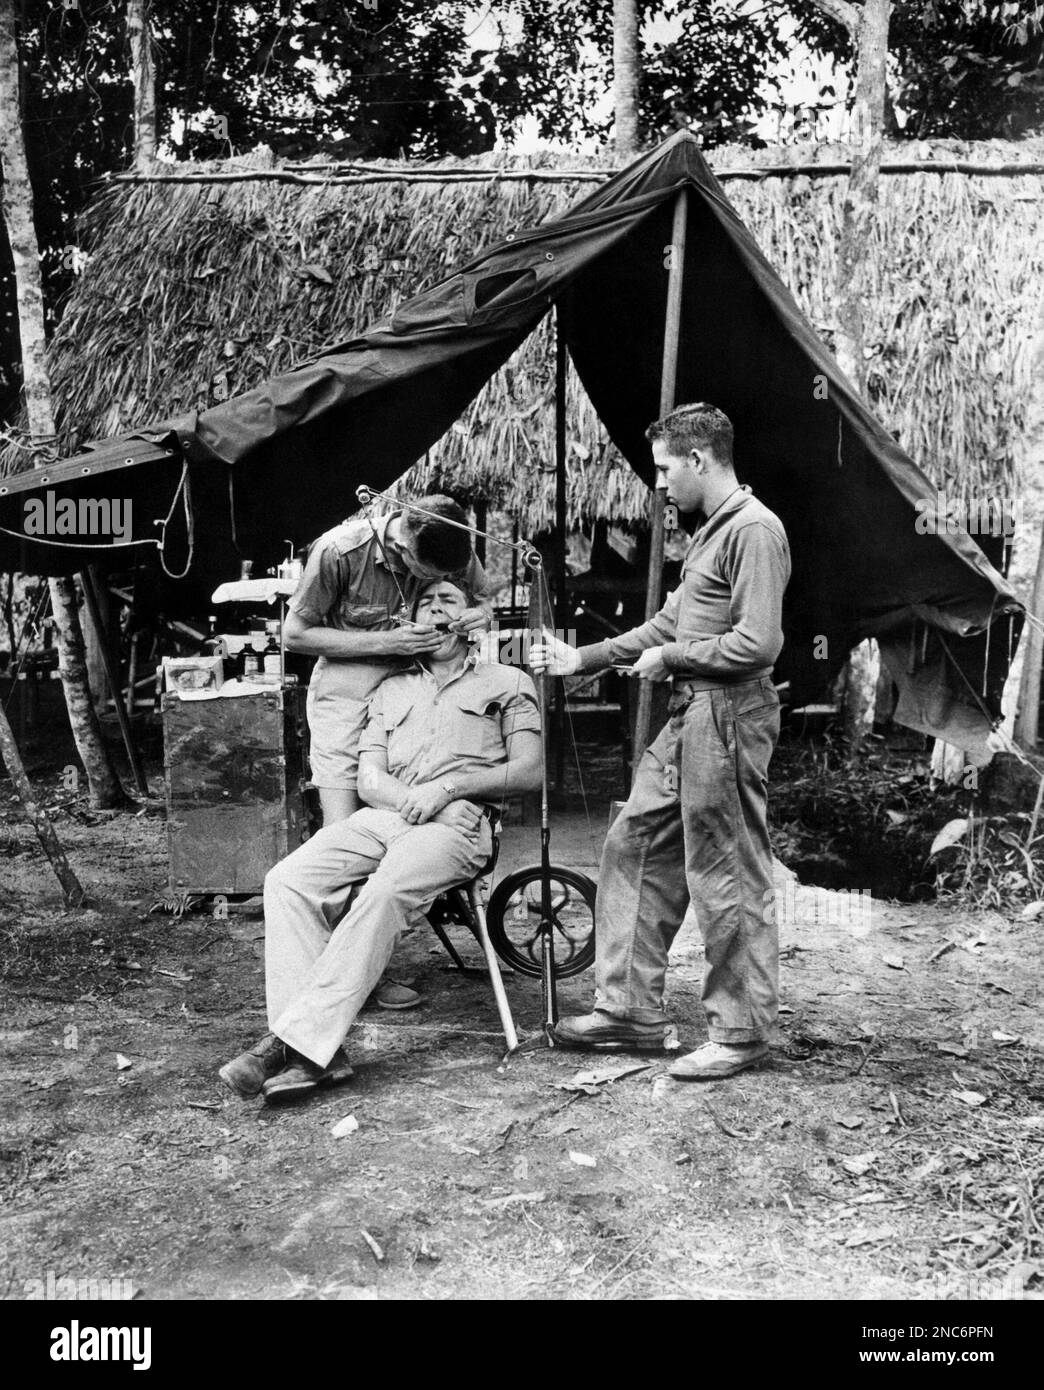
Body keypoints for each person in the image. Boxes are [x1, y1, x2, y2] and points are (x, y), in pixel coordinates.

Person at [533, 403, 791, 1080]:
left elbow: (759, 641)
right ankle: (629, 1010)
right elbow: (666, 626)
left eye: (664, 468)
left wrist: (676, 659)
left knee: (726, 870)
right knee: (634, 843)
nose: (660, 483)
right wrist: (581, 659)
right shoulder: (712, 531)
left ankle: (741, 1031)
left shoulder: (756, 532)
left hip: (729, 717)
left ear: (699, 460)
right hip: (690, 718)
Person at [219, 577, 542, 1104]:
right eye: (425, 605)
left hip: (461, 822)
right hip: (392, 814)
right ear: (408, 624)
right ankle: (315, 1051)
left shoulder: (507, 681)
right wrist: (414, 797)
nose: (436, 612)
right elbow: (368, 778)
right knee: (288, 880)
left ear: (470, 622)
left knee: (385, 889)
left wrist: (449, 789)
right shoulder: (390, 689)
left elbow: (529, 771)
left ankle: (289, 1046)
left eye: (449, 603)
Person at [285, 495, 491, 1009]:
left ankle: (367, 963)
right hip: (347, 702)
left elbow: (484, 599)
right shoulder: (338, 551)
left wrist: (475, 619)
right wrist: (388, 644)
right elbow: (296, 633)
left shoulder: (450, 540)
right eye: (421, 573)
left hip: (413, 698)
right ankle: (343, 978)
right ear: (400, 540)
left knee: (405, 832)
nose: (433, 585)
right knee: (342, 838)